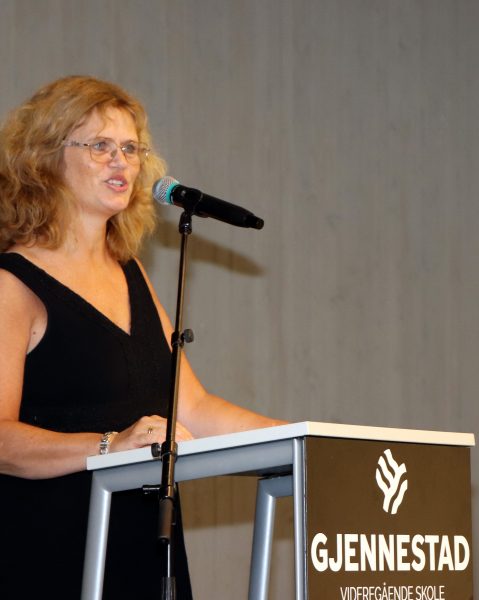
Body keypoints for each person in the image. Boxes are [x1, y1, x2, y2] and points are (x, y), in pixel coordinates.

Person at [0, 75, 283, 599]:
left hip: (144, 547)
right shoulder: (12, 283)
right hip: (51, 551)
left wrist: (299, 440)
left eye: (131, 148)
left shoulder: (130, 273)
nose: (121, 162)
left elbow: (192, 408)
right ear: (44, 159)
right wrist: (111, 445)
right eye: (100, 146)